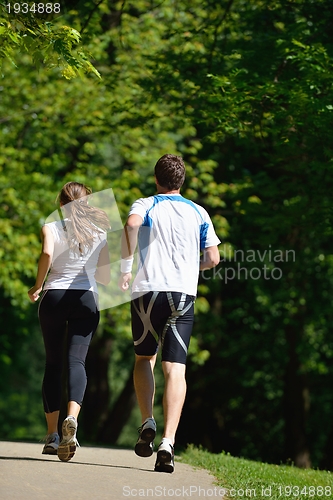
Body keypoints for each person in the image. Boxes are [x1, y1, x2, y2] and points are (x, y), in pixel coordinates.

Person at [119, 154, 220, 473]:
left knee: (143, 359)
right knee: (176, 369)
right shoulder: (199, 211)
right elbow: (214, 258)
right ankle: (168, 441)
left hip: (147, 291)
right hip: (182, 294)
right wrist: (193, 265)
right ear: (182, 181)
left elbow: (132, 224)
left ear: (156, 179)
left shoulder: (146, 203)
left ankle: (147, 420)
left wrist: (125, 267)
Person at [28, 182, 110, 462]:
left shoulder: (50, 227)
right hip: (86, 298)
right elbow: (104, 275)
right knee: (77, 362)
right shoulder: (99, 231)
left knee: (53, 364)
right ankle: (71, 421)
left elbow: (48, 255)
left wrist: (37, 286)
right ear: (87, 203)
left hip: (54, 296)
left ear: (60, 203)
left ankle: (52, 435)